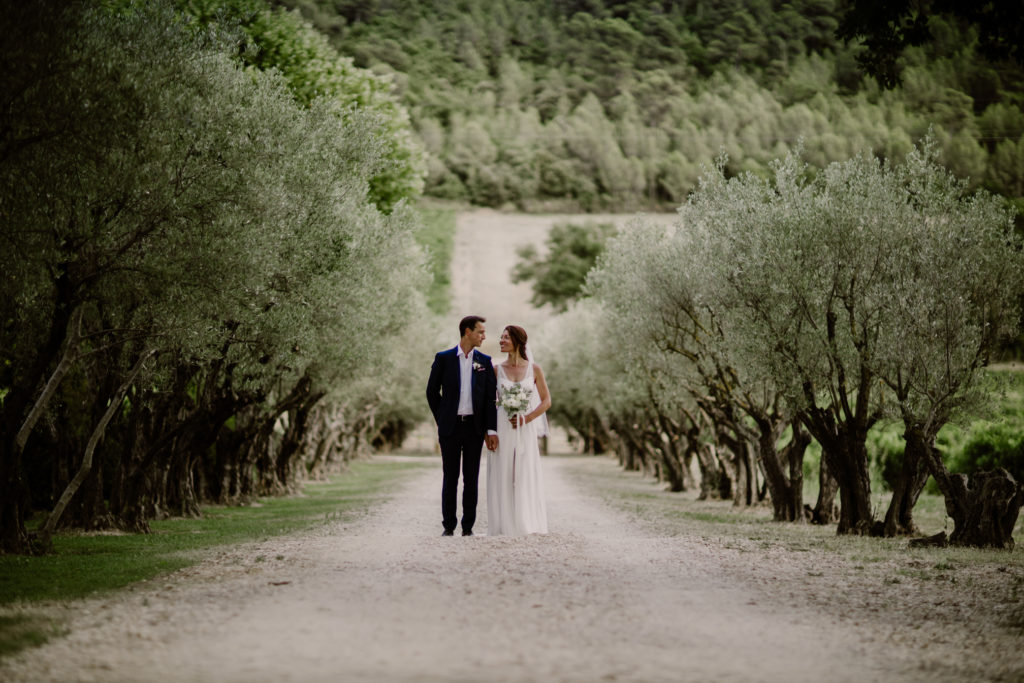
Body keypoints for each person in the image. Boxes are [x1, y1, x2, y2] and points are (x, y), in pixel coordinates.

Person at [426, 316, 498, 536]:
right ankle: (448, 526)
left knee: (471, 478)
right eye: (481, 332)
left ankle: (468, 527)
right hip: (450, 428)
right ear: (468, 332)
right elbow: (431, 392)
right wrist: (443, 417)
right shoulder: (444, 358)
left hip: (474, 429)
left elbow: (489, 399)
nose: (484, 336)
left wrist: (491, 429)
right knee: (450, 477)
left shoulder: (484, 361)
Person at [487, 325, 550, 536]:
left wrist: (527, 417)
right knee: (503, 471)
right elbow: (488, 402)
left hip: (525, 427)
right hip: (503, 425)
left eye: (506, 337)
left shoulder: (535, 369)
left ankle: (525, 522)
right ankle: (504, 524)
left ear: (517, 341)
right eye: (501, 337)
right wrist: (490, 431)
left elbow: (546, 401)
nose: (501, 340)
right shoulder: (497, 370)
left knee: (524, 471)